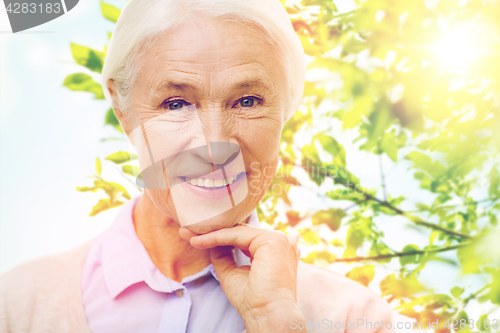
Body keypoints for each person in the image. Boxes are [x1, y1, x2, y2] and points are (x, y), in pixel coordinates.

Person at [0, 0, 399, 332]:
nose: (213, 146)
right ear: (123, 111)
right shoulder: (16, 305)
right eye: (176, 104)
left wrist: (277, 323)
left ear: (285, 110)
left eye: (248, 101)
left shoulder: (357, 319)